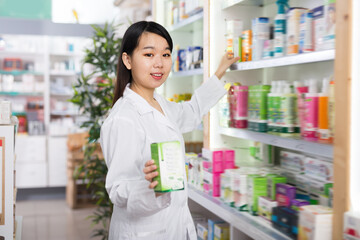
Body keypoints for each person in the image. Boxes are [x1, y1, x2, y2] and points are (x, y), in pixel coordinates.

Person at [100, 21, 240, 240]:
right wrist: (150, 189)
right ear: (127, 60)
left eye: (165, 55)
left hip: (173, 227)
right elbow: (118, 190)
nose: (159, 63)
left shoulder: (160, 104)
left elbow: (191, 111)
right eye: (149, 55)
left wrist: (220, 70)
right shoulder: (123, 119)